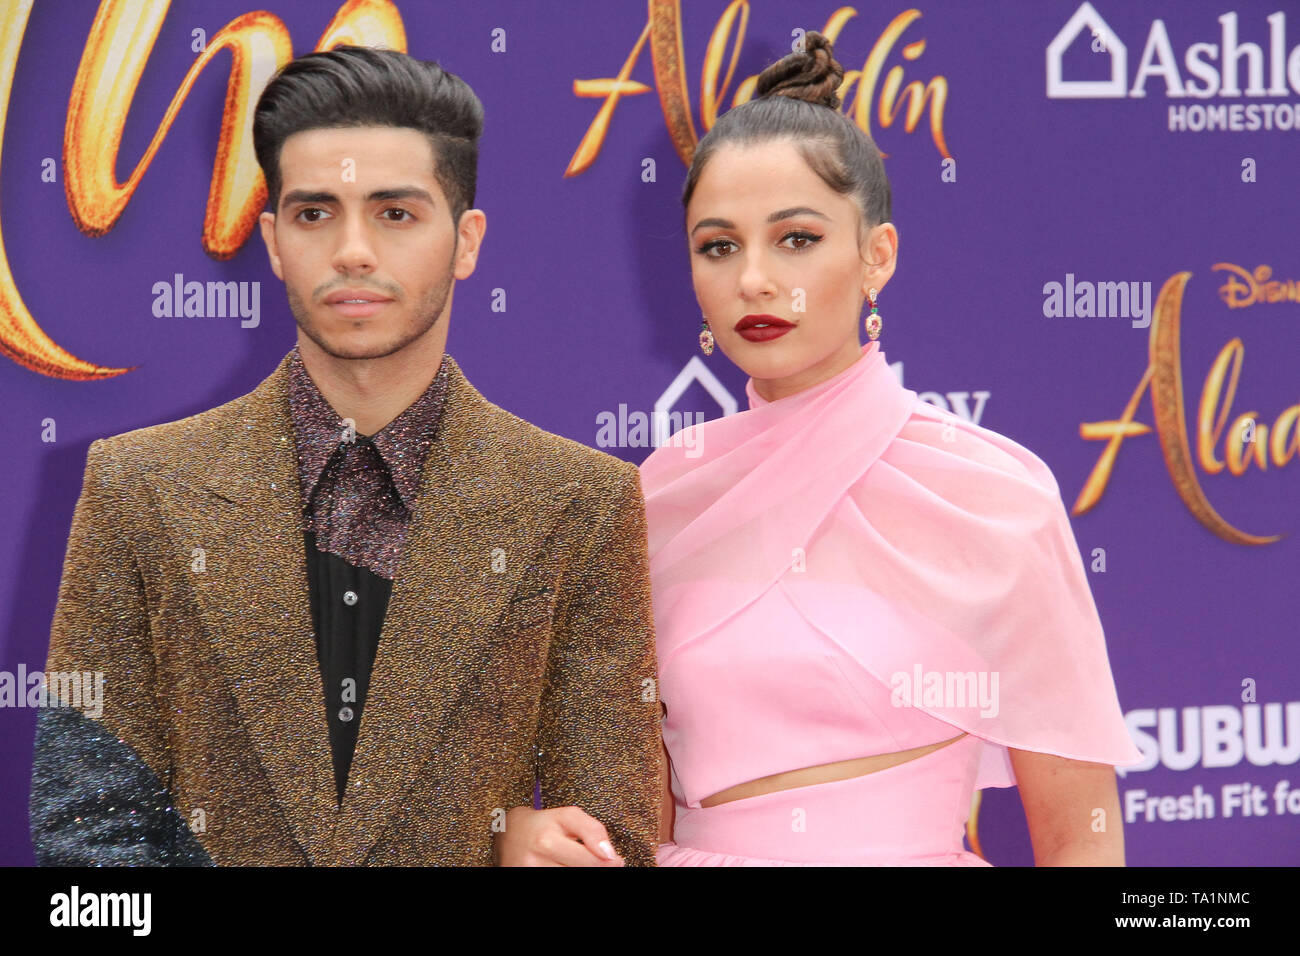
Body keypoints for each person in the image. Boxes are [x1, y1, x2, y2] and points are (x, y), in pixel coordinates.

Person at [497, 32, 1142, 866]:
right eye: (718, 246)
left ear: (877, 256)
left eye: (796, 238)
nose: (755, 279)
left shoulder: (993, 493)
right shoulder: (661, 494)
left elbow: (1081, 840)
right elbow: (639, 808)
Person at [29, 45, 660, 866]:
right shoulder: (139, 486)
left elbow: (621, 839)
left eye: (395, 213)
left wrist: (518, 844)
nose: (353, 251)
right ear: (273, 241)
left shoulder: (580, 500)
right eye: (315, 213)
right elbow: (84, 852)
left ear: (466, 241)